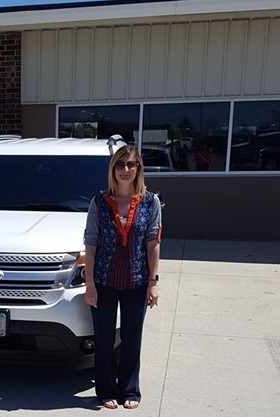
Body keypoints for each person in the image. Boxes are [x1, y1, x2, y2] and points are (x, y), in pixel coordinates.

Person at [84, 143, 162, 410]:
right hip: (104, 281)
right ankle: (105, 389)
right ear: (113, 169)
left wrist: (153, 282)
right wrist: (90, 284)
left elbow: (153, 243)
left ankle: (130, 389)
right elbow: (91, 244)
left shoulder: (150, 202)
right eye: (120, 164)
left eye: (131, 164)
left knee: (132, 338)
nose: (125, 170)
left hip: (137, 281)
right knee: (104, 338)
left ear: (138, 168)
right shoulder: (99, 202)